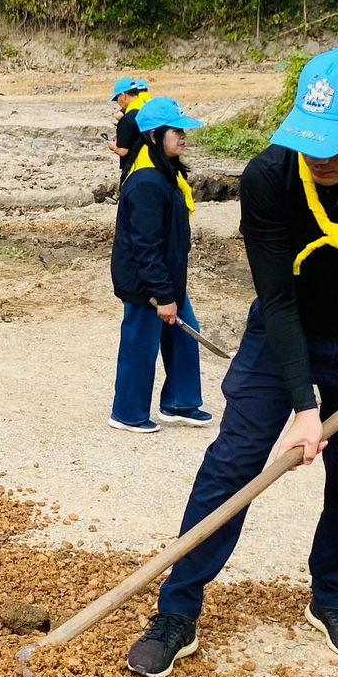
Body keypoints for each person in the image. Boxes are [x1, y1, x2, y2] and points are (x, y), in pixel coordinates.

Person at [126, 46, 338, 675]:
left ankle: (333, 595)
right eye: (310, 139)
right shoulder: (270, 175)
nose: (318, 157)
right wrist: (304, 405)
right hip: (281, 332)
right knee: (232, 463)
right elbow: (278, 298)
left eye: (335, 144)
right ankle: (177, 609)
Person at [109, 95, 214, 434]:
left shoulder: (167, 173)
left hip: (167, 278)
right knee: (140, 346)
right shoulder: (146, 182)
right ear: (154, 136)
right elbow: (145, 246)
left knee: (184, 336)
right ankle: (127, 413)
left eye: (184, 130)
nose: (183, 136)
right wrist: (162, 294)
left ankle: (180, 403)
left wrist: (171, 289)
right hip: (145, 283)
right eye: (176, 131)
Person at [106, 77, 148, 178]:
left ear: (123, 96)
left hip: (137, 170)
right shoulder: (148, 109)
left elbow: (122, 151)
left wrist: (113, 146)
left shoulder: (127, 119)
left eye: (117, 98)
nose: (118, 102)